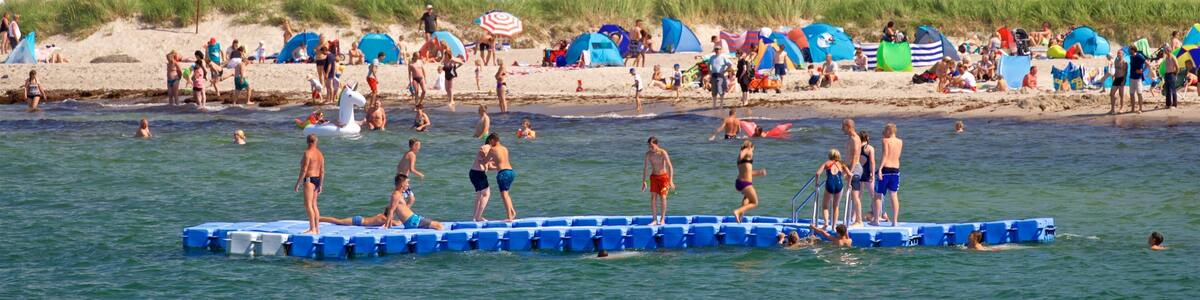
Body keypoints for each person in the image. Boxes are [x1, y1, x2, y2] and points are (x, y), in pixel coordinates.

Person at [295, 134, 325, 234]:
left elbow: (304, 170)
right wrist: (321, 184)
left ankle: (312, 229)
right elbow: (322, 171)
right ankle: (317, 229)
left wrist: (298, 183)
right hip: (317, 179)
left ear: (307, 142)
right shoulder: (320, 154)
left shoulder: (307, 153)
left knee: (308, 205)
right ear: (316, 142)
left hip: (309, 179)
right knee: (314, 205)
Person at [816, 149, 853, 230]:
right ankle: (833, 226)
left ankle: (826, 223)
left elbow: (818, 173)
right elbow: (850, 174)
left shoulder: (827, 163)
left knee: (825, 206)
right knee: (836, 206)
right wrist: (849, 184)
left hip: (829, 184)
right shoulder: (842, 164)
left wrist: (817, 183)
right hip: (839, 185)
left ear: (830, 155)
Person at [642, 137, 675, 225]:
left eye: (652, 146)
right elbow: (645, 168)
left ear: (656, 144)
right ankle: (654, 219)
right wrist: (644, 181)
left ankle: (662, 219)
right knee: (653, 198)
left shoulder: (662, 152)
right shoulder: (648, 154)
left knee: (663, 197)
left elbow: (670, 166)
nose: (650, 148)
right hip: (654, 177)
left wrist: (671, 181)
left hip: (664, 178)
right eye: (649, 146)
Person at [485, 133, 518, 221]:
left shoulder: (492, 149)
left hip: (503, 173)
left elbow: (485, 160)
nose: (489, 144)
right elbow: (501, 161)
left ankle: (509, 217)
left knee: (504, 195)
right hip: (511, 172)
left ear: (492, 140)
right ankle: (513, 212)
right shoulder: (505, 148)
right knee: (506, 194)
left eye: (489, 142)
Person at [731, 140, 766, 223]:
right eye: (753, 149)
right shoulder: (748, 150)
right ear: (751, 147)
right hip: (745, 184)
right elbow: (742, 154)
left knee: (747, 198)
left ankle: (740, 217)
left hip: (740, 182)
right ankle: (737, 211)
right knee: (754, 202)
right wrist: (745, 152)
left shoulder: (742, 159)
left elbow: (747, 172)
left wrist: (759, 173)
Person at [877, 123, 904, 226]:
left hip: (886, 169)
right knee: (894, 195)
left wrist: (879, 169)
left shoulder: (885, 141)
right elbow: (898, 155)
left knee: (879, 195)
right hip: (896, 169)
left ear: (888, 130)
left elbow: (885, 155)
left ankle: (876, 219)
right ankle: (895, 221)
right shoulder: (900, 142)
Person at [842, 119, 864, 227]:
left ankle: (859, 221)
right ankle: (853, 218)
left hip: (854, 169)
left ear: (848, 126)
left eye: (843, 127)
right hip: (850, 168)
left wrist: (850, 172)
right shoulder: (850, 138)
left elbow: (855, 157)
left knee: (855, 196)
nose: (842, 129)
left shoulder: (855, 139)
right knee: (852, 196)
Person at [393, 138, 426, 208]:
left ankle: (401, 215)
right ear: (414, 146)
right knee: (409, 200)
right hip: (403, 181)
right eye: (419, 146)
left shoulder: (407, 153)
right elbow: (412, 169)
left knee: (404, 199)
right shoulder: (412, 155)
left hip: (399, 179)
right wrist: (421, 175)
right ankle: (403, 216)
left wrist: (400, 175)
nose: (419, 148)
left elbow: (398, 166)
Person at [469, 136, 495, 222]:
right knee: (486, 194)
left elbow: (489, 166)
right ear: (491, 140)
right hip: (478, 173)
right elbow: (482, 150)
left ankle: (475, 217)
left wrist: (500, 167)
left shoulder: (490, 150)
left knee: (480, 194)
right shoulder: (487, 146)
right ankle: (478, 217)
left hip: (474, 172)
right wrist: (485, 157)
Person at [1129, 46, 1147, 113]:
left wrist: (1142, 71)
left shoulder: (1139, 56)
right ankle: (1133, 109)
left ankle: (1140, 109)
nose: (1129, 51)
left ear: (1133, 50)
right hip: (1131, 77)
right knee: (1131, 93)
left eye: (1129, 50)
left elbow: (1147, 63)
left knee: (1139, 93)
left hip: (1138, 78)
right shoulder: (1131, 57)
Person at [1162, 44, 1180, 109]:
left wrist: (1175, 74)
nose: (1164, 51)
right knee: (1167, 90)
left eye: (1165, 50)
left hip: (1172, 74)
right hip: (1167, 74)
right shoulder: (1166, 57)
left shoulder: (1173, 57)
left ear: (1168, 50)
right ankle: (1168, 104)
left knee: (1173, 90)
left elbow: (1178, 67)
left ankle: (1174, 105)